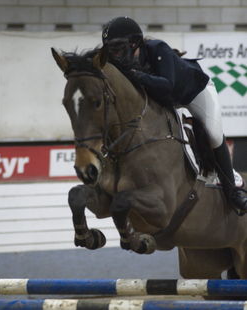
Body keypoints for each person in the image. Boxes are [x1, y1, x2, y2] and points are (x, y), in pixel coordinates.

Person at [102, 16, 247, 214]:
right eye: (111, 50)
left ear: (134, 43)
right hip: (167, 101)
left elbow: (167, 86)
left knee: (213, 134)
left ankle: (233, 192)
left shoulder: (157, 48)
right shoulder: (120, 63)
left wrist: (137, 75)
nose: (115, 55)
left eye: (118, 48)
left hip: (194, 92)